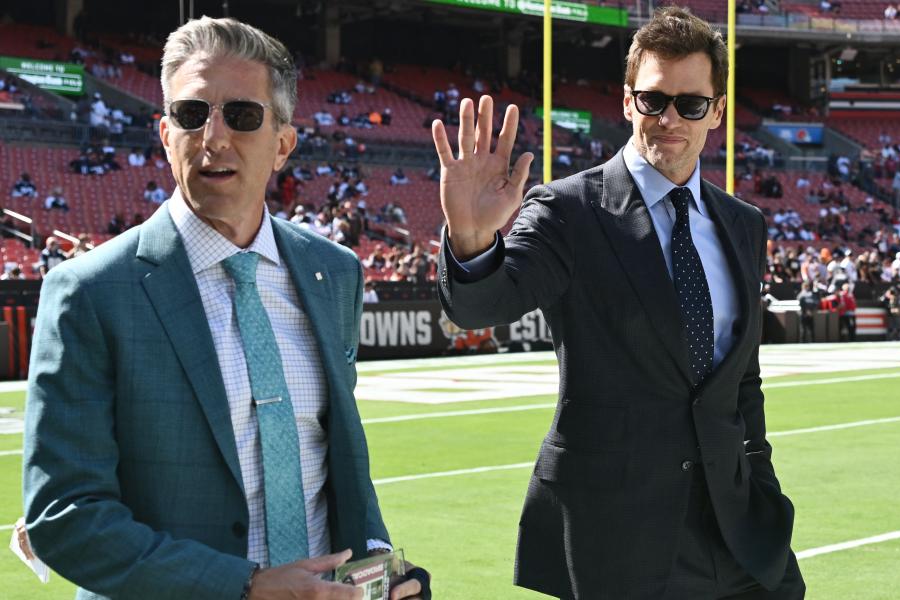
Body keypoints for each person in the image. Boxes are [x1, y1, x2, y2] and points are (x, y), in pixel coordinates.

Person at [23, 17, 426, 600]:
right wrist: (246, 587)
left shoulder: (333, 271)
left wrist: (381, 570)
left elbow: (339, 467)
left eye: (241, 115)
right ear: (166, 135)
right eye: (192, 114)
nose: (213, 136)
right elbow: (65, 516)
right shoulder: (90, 291)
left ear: (283, 144)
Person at [431, 7, 803, 598]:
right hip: (619, 534)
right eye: (653, 100)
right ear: (628, 102)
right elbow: (481, 307)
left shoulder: (743, 223)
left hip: (739, 526)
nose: (669, 118)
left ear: (718, 112)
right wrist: (472, 240)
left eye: (691, 103)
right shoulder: (568, 209)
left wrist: (761, 478)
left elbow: (742, 381)